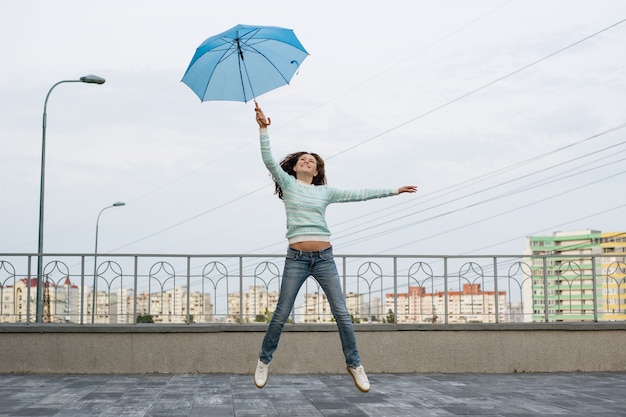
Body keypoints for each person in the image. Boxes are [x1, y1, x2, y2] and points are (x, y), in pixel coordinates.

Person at [253, 102, 417, 393]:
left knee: (342, 312)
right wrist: (264, 129)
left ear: (316, 173)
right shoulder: (288, 185)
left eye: (312, 161)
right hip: (297, 258)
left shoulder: (325, 192)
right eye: (302, 159)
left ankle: (355, 364)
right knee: (281, 312)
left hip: (324, 258)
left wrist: (394, 190)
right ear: (293, 167)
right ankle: (264, 360)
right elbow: (268, 160)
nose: (307, 161)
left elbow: (360, 195)